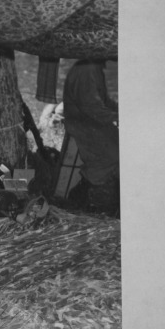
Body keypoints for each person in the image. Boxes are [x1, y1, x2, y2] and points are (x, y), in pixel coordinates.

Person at [62, 59, 120, 214]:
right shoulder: (86, 69)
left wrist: (121, 110)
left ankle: (84, 197)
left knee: (120, 150)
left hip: (92, 122)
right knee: (111, 157)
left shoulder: (94, 67)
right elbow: (91, 106)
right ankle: (90, 202)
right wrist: (118, 116)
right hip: (84, 124)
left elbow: (104, 101)